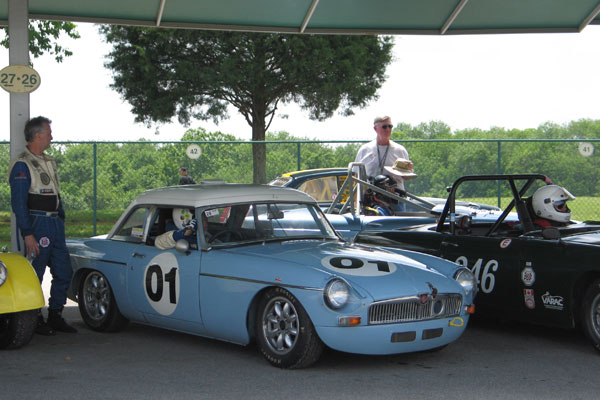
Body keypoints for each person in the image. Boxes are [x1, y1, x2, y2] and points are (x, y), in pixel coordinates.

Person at [8, 116, 77, 335]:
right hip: (38, 223)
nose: (51, 137)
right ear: (37, 135)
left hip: (55, 222)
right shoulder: (22, 164)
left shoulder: (49, 160)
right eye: (48, 133)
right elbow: (19, 203)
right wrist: (28, 234)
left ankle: (55, 314)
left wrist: (61, 218)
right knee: (34, 273)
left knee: (63, 271)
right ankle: (34, 318)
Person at [355, 116, 415, 211]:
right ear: (375, 128)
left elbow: (407, 178)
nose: (388, 129)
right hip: (371, 200)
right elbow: (356, 177)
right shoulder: (365, 150)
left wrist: (408, 170)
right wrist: (356, 204)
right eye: (384, 127)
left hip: (396, 200)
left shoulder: (400, 150)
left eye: (390, 126)